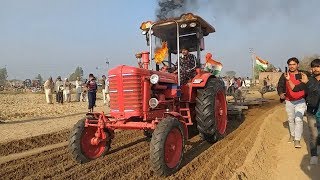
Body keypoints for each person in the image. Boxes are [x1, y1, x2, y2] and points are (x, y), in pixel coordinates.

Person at [286, 58, 320, 164]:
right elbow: (295, 88)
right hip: (312, 111)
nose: (316, 69)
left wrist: (307, 83)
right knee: (313, 134)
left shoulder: (308, 81)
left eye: (318, 66)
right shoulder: (309, 79)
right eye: (314, 67)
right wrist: (288, 80)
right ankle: (314, 154)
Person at [277, 57, 307, 148]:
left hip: (301, 100)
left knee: (298, 119)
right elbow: (280, 85)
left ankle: (297, 140)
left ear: (297, 65)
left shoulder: (302, 74)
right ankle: (292, 135)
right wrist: (281, 93)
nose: (292, 66)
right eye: (290, 64)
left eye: (294, 64)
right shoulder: (285, 75)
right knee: (291, 119)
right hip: (289, 101)